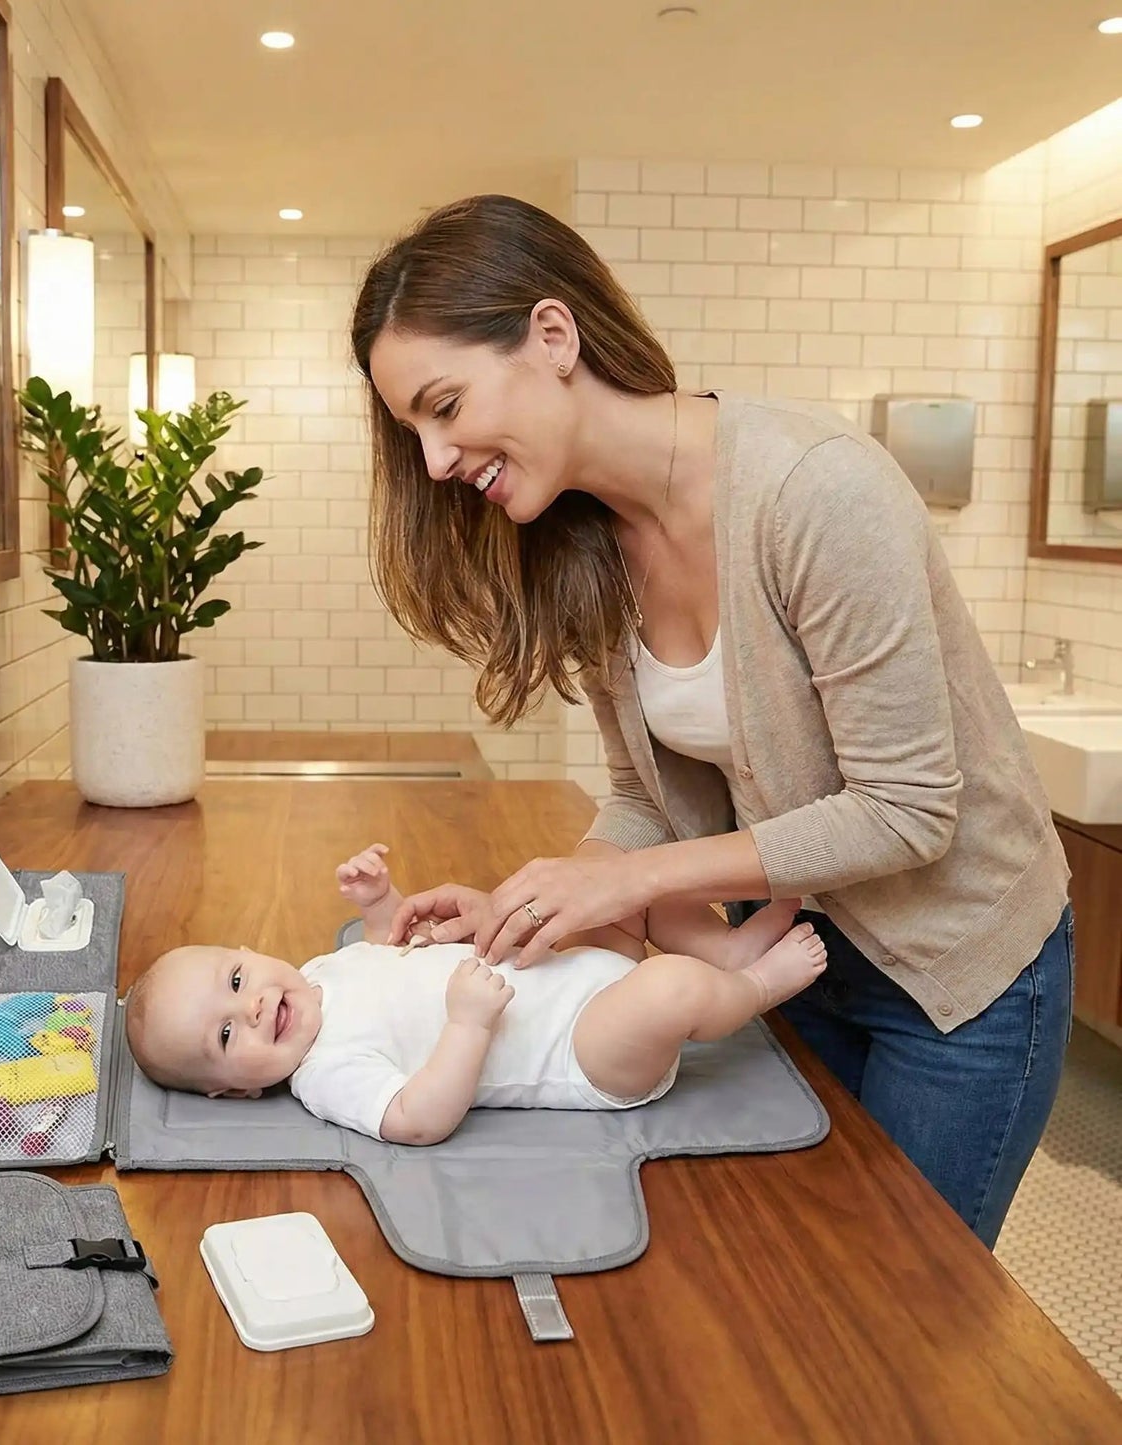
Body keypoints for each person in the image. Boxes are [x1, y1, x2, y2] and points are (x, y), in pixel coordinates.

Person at [349, 193, 1073, 1245]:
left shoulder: (810, 491)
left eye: (444, 405)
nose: (434, 461)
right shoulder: (583, 545)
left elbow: (907, 808)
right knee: (800, 1278)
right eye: (413, 427)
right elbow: (650, 795)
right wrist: (532, 908)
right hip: (795, 948)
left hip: (962, 973)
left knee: (911, 1319)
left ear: (552, 335)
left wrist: (627, 883)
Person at [124, 844, 826, 1145]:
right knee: (669, 990)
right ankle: (752, 984)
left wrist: (380, 903)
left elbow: (385, 955)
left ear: (249, 952)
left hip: (576, 972)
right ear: (237, 1091)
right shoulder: (323, 1072)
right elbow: (416, 1119)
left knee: (614, 880)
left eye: (236, 981)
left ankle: (721, 947)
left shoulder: (319, 973)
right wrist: (466, 1025)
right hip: (585, 1050)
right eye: (225, 1037)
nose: (248, 1008)